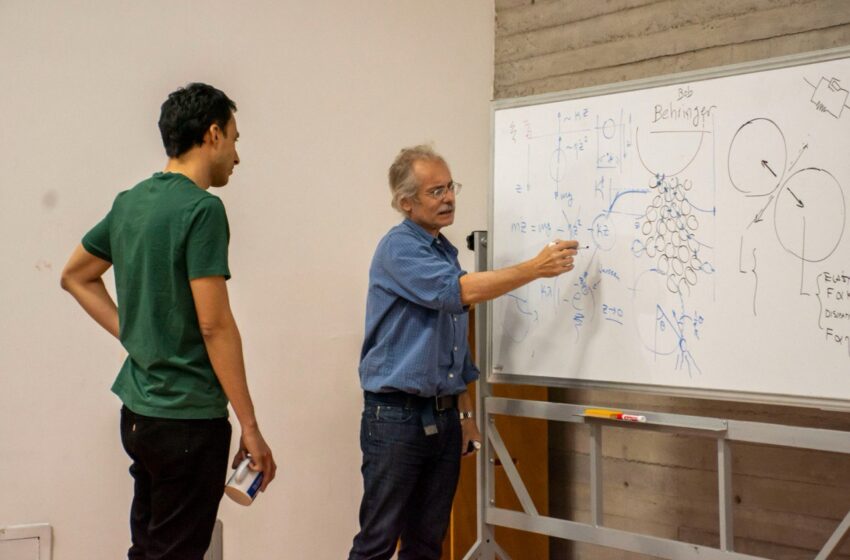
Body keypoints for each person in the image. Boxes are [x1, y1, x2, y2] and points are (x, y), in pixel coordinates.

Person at [60, 83, 276, 559]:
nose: (237, 157)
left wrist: (132, 331)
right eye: (236, 140)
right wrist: (251, 426)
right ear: (213, 134)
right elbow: (215, 325)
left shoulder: (129, 202)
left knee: (149, 548)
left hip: (138, 416)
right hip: (188, 420)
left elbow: (75, 276)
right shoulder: (202, 210)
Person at [348, 145, 578, 560]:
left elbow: (454, 347)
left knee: (427, 543)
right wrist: (535, 268)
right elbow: (458, 292)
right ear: (406, 202)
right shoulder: (399, 248)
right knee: (377, 543)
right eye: (435, 191)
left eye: (450, 186)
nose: (449, 197)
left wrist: (466, 415)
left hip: (442, 416)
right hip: (396, 418)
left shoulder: (443, 250)